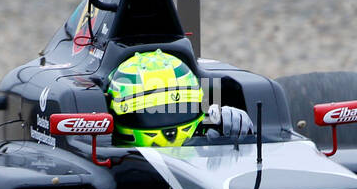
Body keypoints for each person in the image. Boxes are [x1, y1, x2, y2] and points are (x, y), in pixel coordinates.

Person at [106, 50, 255, 147]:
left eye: (179, 110)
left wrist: (235, 128)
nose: (170, 134)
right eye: (153, 113)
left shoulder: (208, 131)